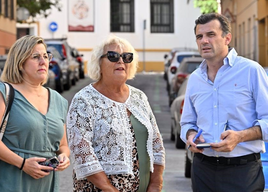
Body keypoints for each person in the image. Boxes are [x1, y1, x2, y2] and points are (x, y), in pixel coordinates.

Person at [180, 13, 268, 192]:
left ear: (227, 38)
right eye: (199, 36)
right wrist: (190, 137)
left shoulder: (251, 71)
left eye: (210, 34)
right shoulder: (195, 79)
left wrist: (240, 137)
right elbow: (187, 123)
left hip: (243, 172)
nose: (204, 41)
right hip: (202, 170)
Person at [66, 35, 165, 192]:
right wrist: (109, 189)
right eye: (113, 56)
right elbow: (82, 152)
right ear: (99, 62)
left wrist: (156, 183)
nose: (121, 61)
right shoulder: (84, 100)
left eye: (126, 57)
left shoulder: (139, 97)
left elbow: (156, 143)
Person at [0, 35, 70, 192]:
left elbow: (63, 145)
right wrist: (22, 163)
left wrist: (64, 157)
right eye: (36, 57)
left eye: (46, 56)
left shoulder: (58, 99)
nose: (43, 61)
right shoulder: (4, 93)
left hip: (47, 184)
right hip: (12, 181)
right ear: (20, 63)